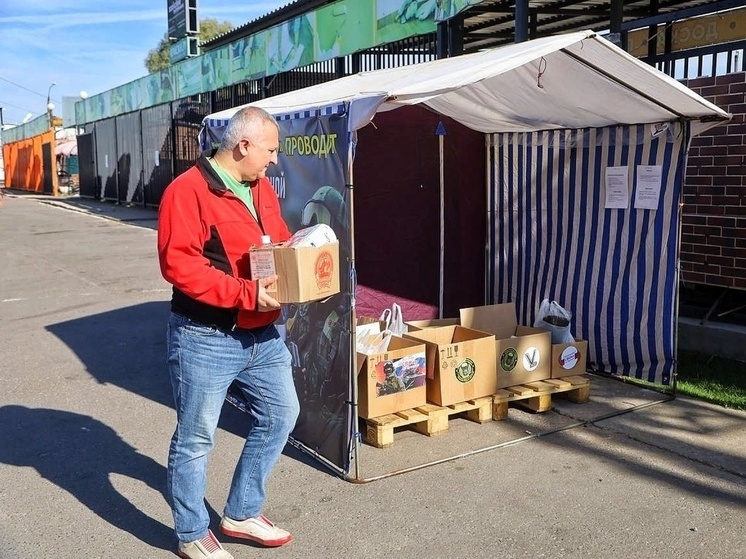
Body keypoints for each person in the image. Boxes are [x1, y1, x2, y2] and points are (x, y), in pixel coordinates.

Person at [157, 106, 300, 559]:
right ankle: (192, 533)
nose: (274, 160)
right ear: (243, 145)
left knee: (281, 415)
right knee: (196, 438)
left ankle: (240, 512)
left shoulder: (260, 188)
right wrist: (244, 294)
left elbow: (275, 239)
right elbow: (179, 265)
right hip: (205, 336)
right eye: (271, 151)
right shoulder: (187, 191)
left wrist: (302, 256)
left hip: (262, 334)